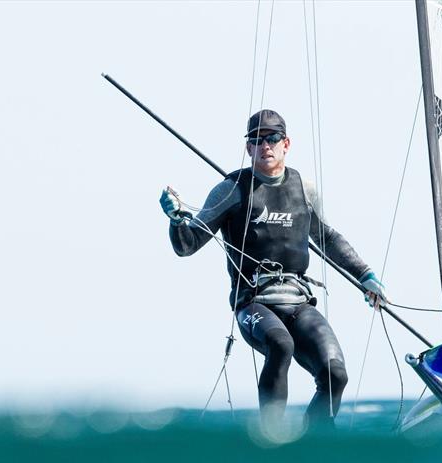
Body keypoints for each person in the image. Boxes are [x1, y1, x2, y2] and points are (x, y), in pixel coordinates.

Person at [159, 109, 385, 429]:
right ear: (248, 148)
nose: (265, 145)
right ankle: (272, 436)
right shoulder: (231, 189)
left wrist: (366, 276)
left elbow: (328, 238)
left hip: (298, 302)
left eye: (273, 138)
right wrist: (177, 220)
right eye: (256, 140)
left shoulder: (303, 189)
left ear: (286, 143)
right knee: (281, 344)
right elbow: (187, 245)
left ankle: (315, 440)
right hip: (253, 303)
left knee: (335, 373)